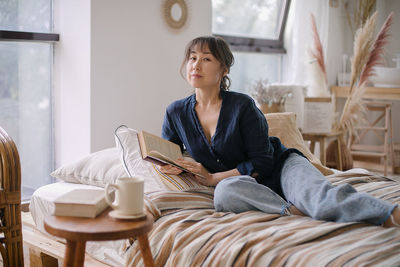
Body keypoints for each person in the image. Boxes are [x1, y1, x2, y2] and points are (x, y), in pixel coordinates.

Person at [159, 35, 400, 227]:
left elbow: (262, 163)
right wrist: (173, 165)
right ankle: (290, 210)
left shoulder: (242, 106)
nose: (196, 65)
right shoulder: (175, 112)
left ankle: (391, 214)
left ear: (224, 70)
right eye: (192, 58)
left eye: (206, 59)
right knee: (223, 194)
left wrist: (211, 177)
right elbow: (169, 152)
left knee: (319, 199)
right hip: (243, 186)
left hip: (281, 168)